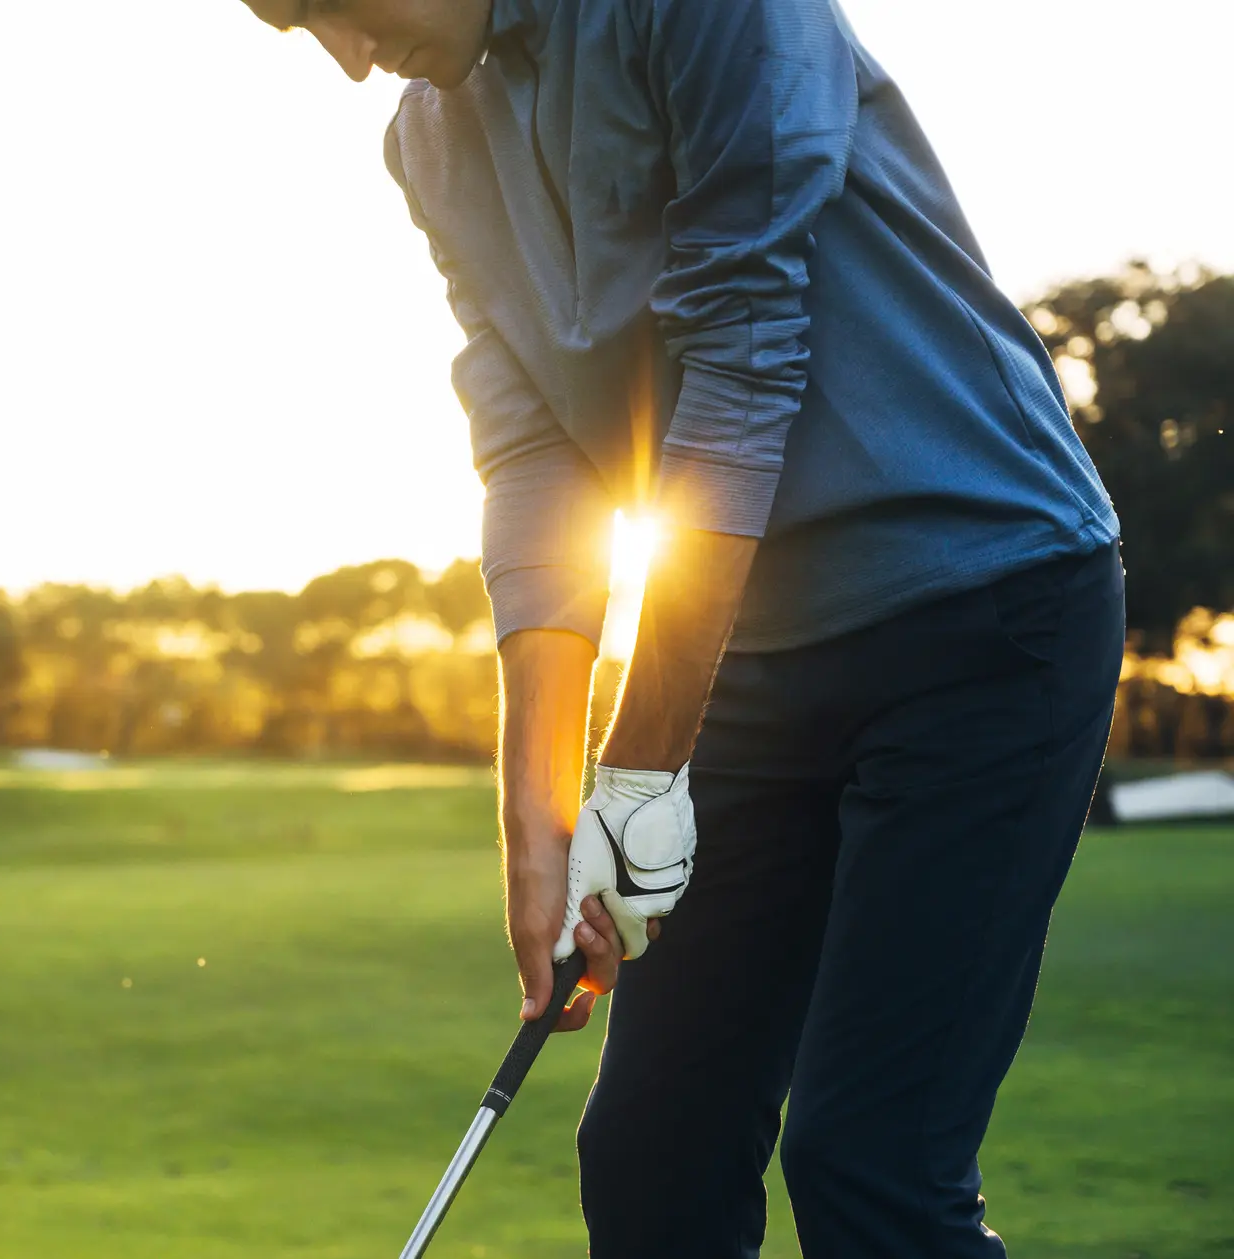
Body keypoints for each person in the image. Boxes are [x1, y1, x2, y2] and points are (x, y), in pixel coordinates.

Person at [238, 1, 1126, 1255]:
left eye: (335, 2)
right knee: (654, 1147)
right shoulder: (430, 143)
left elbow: (743, 356)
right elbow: (536, 452)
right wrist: (540, 826)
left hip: (982, 609)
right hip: (751, 653)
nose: (344, 55)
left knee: (869, 1160)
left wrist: (642, 762)